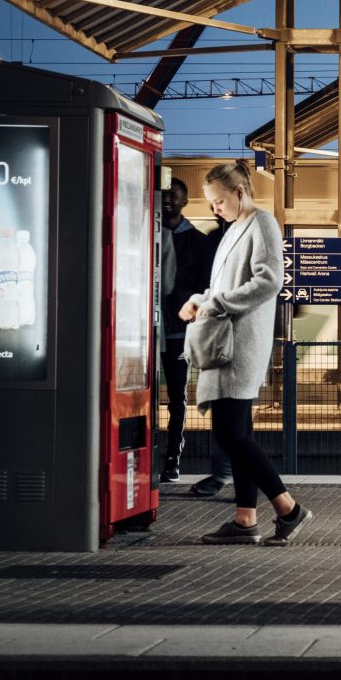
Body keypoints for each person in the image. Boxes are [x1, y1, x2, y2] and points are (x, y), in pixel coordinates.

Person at [180, 160, 311, 546]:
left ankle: (289, 508)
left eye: (219, 200)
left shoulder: (263, 223)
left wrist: (214, 303)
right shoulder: (235, 228)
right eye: (211, 203)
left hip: (240, 345)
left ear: (239, 193)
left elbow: (269, 281)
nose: (214, 209)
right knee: (237, 432)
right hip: (227, 341)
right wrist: (197, 301)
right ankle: (245, 519)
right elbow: (223, 287)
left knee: (230, 432)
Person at [158, 178, 209, 483]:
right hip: (150, 332)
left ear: (184, 202)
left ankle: (172, 459)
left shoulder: (198, 242)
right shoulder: (148, 234)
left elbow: (203, 288)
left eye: (173, 196)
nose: (167, 200)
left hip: (178, 331)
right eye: (164, 195)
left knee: (177, 398)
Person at [188, 212, 235, 498]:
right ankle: (241, 486)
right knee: (234, 419)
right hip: (222, 336)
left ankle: (226, 476)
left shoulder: (216, 240)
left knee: (231, 418)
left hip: (224, 338)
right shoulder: (219, 240)